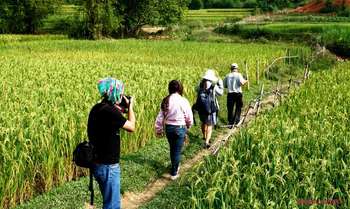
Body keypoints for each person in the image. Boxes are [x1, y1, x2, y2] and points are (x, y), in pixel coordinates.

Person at [88, 77, 136, 209]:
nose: (121, 96)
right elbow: (132, 127)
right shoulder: (110, 112)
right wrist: (130, 106)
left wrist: (121, 109)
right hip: (108, 166)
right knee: (112, 205)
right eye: (120, 93)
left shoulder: (97, 108)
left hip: (97, 163)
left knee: (108, 201)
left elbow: (112, 119)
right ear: (114, 93)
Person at [155, 80, 193, 180]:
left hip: (169, 128)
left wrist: (159, 129)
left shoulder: (166, 100)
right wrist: (188, 126)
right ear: (180, 88)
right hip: (179, 128)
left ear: (170, 88)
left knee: (173, 148)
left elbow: (160, 117)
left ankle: (175, 165)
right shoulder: (183, 100)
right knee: (177, 150)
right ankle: (174, 173)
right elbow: (189, 116)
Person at [196, 69, 223, 148]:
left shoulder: (200, 84)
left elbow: (196, 90)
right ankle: (207, 142)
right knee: (210, 124)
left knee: (203, 122)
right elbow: (220, 93)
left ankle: (204, 136)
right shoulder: (213, 86)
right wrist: (220, 82)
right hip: (210, 108)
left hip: (201, 107)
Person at [223, 63, 248, 128]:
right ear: (236, 68)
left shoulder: (227, 75)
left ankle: (230, 122)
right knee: (238, 107)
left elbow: (225, 85)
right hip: (238, 93)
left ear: (231, 68)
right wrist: (246, 81)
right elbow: (242, 83)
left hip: (230, 94)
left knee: (230, 108)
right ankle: (236, 121)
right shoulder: (239, 75)